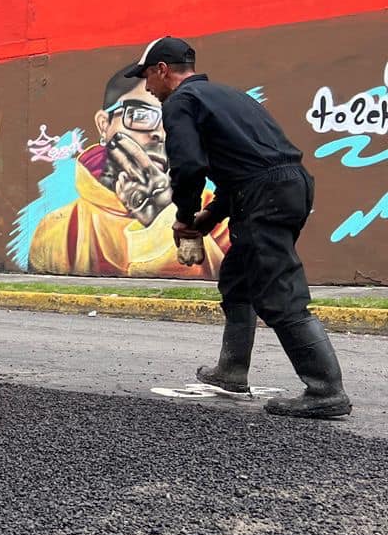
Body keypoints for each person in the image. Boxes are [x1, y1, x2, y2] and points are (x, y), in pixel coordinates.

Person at [130, 37, 349, 419]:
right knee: (239, 279)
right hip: (288, 186)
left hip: (265, 194)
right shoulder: (228, 97)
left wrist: (184, 216)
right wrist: (210, 218)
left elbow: (189, 166)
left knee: (277, 287)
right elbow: (248, 170)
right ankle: (231, 371)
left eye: (148, 76)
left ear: (163, 70)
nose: (148, 87)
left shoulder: (182, 102)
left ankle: (325, 389)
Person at [29, 64, 230, 277]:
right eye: (142, 116)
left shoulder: (212, 214)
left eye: (171, 121)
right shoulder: (58, 229)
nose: (159, 134)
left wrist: (164, 214)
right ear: (104, 125)